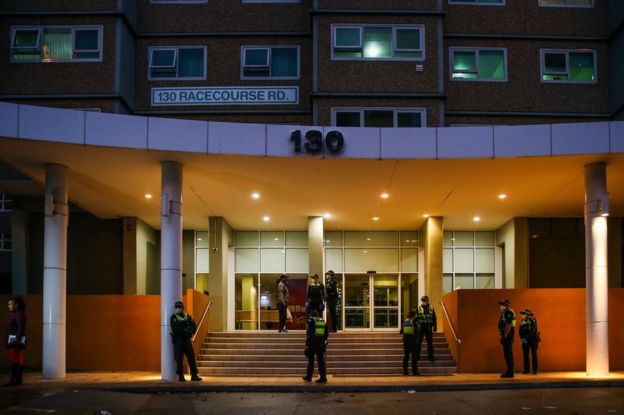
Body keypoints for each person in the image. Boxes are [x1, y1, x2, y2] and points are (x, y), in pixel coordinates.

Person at [170, 301, 202, 382]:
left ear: (182, 308)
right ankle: (181, 376)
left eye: (180, 307)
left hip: (187, 340)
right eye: (177, 307)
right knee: (179, 358)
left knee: (191, 357)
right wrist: (185, 330)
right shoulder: (173, 317)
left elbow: (193, 325)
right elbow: (176, 329)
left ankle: (194, 375)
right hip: (178, 340)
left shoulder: (187, 316)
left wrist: (190, 331)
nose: (178, 309)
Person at [4, 297, 26, 387]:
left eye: (10, 304)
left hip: (15, 339)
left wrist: (16, 339)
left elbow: (21, 327)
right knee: (16, 360)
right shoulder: (15, 314)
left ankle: (15, 380)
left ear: (16, 305)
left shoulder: (19, 314)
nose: (8, 306)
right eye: (8, 304)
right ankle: (17, 379)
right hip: (14, 339)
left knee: (15, 360)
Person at [303, 310, 328, 383]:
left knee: (311, 361)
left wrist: (307, 344)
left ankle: (309, 377)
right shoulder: (323, 321)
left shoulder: (311, 321)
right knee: (321, 362)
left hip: (313, 344)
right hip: (321, 345)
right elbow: (326, 333)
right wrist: (322, 342)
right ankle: (323, 378)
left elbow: (310, 334)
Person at [498, 299, 516, 378]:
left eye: (503, 305)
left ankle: (510, 372)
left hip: (508, 335)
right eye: (501, 305)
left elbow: (508, 326)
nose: (501, 306)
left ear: (507, 306)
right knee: (506, 354)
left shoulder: (509, 313)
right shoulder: (504, 313)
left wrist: (504, 337)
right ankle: (509, 370)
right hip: (506, 335)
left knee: (508, 354)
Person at [416, 295, 437, 362]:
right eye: (422, 300)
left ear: (427, 301)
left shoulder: (431, 308)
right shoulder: (418, 308)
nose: (423, 301)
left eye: (424, 300)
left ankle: (431, 357)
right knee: (418, 343)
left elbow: (434, 318)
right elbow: (415, 319)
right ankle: (417, 356)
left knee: (430, 343)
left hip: (428, 328)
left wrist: (435, 327)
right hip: (420, 328)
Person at [519, 309, 539, 375]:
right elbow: (520, 331)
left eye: (524, 314)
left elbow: (532, 331)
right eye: (522, 314)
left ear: (527, 314)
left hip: (533, 340)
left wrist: (525, 338)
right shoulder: (522, 321)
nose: (522, 315)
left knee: (533, 355)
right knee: (525, 355)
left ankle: (535, 370)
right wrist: (522, 338)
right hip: (525, 341)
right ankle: (526, 370)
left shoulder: (533, 320)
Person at [400, 309, 420, 376]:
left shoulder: (405, 321)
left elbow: (401, 331)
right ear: (413, 315)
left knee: (406, 356)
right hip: (413, 341)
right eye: (415, 314)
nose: (416, 315)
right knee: (414, 357)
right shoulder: (414, 322)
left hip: (406, 341)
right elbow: (417, 330)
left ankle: (405, 371)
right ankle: (414, 372)